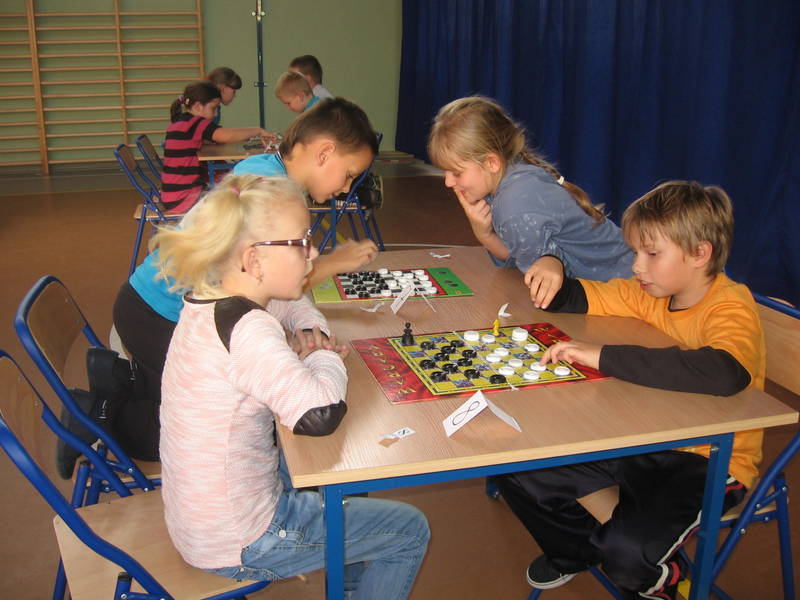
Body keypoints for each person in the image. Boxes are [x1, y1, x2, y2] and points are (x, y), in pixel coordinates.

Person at [153, 175, 429, 597]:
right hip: (243, 539)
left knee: (328, 473)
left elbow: (293, 303)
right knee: (409, 530)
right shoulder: (247, 329)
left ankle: (351, 579)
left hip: (203, 520)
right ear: (254, 260)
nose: (314, 253)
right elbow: (320, 414)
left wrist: (311, 333)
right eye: (301, 242)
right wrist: (324, 355)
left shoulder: (216, 298)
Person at [496, 181, 764, 600]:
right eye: (636, 252)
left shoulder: (730, 304)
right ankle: (577, 552)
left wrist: (603, 355)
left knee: (627, 554)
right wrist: (551, 268)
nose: (637, 266)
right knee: (515, 462)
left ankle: (667, 582)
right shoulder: (651, 293)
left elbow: (725, 373)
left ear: (700, 254)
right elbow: (579, 298)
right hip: (644, 439)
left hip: (710, 461)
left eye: (651, 254)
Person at [111, 97, 380, 461]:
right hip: (158, 314)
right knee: (209, 430)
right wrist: (337, 262)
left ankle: (113, 384)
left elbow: (264, 285)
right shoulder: (268, 183)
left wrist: (291, 332)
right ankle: (99, 414)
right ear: (324, 153)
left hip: (156, 306)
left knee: (172, 400)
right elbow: (277, 277)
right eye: (348, 174)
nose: (347, 188)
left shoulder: (269, 172)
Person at [428, 96, 633, 310]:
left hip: (624, 289)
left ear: (491, 163)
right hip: (621, 273)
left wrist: (486, 235)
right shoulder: (512, 174)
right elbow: (517, 256)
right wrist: (485, 234)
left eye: (456, 172)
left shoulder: (513, 206)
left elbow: (549, 285)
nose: (448, 182)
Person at [162, 81, 268, 214]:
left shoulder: (181, 122)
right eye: (213, 108)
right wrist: (258, 131)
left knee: (228, 185)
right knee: (235, 197)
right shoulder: (196, 123)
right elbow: (228, 135)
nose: (216, 114)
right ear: (198, 106)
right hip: (185, 198)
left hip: (173, 195)